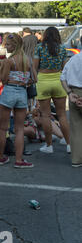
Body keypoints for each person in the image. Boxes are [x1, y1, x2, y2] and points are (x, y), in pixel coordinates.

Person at [0, 33, 35, 168]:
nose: (5, 47)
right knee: (19, 129)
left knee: (3, 127)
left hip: (9, 92)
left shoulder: (9, 61)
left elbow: (3, 80)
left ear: (15, 46)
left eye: (8, 44)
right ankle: (19, 160)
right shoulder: (28, 60)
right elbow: (34, 78)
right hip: (22, 93)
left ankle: (0, 157)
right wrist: (23, 81)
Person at [34, 26, 70, 154]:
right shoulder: (62, 48)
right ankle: (69, 144)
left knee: (45, 115)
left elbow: (34, 67)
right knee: (62, 115)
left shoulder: (39, 48)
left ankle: (49, 146)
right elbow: (65, 68)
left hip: (43, 81)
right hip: (58, 81)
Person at [60, 38, 82, 167]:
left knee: (76, 127)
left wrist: (69, 93)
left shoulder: (73, 59)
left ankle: (76, 159)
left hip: (74, 93)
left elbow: (63, 78)